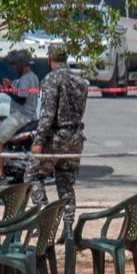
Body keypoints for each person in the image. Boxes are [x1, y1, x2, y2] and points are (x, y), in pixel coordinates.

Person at [30, 49, 90, 253]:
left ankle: (46, 218)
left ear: (50, 59)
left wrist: (38, 140)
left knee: (32, 174)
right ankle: (67, 227)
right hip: (75, 137)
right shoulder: (80, 81)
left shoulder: (51, 79)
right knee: (66, 182)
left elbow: (47, 114)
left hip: (56, 136)